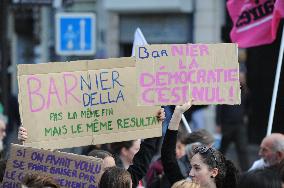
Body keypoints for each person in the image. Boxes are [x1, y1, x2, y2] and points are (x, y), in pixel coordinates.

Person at [18, 108, 166, 188]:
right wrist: (28, 141)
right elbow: (37, 171)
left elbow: (144, 157)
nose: (113, 174)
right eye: (107, 170)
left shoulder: (122, 183)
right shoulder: (72, 184)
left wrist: (154, 125)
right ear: (88, 169)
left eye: (114, 169)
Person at [216, 66, 249, 171]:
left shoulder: (246, 92)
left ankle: (245, 170)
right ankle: (217, 167)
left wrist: (246, 115)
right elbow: (219, 108)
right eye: (239, 78)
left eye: (242, 78)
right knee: (223, 148)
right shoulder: (227, 91)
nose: (240, 80)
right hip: (227, 124)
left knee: (242, 149)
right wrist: (218, 123)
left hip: (239, 125)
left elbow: (248, 106)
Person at [161, 101, 193, 186]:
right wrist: (177, 114)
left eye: (197, 168)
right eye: (193, 167)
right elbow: (168, 158)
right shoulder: (181, 182)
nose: (192, 173)